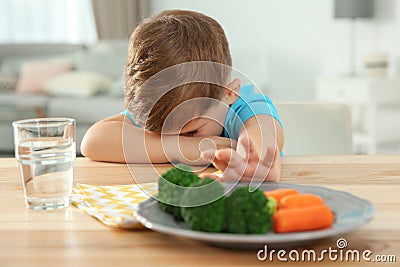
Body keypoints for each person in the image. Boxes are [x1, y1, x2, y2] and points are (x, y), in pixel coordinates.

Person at [81, 9, 284, 181]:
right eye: (159, 134)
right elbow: (92, 141)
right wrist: (188, 146)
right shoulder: (160, 109)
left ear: (228, 93)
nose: (173, 136)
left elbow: (263, 134)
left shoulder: (244, 106)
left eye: (190, 132)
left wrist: (250, 162)